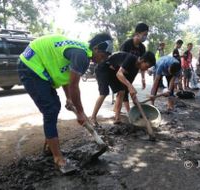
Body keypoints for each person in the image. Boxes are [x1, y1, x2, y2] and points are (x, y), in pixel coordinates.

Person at [18, 33, 113, 173]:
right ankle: (58, 158)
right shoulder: (81, 56)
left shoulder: (82, 51)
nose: (103, 60)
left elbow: (66, 77)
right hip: (30, 66)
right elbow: (74, 85)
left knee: (54, 107)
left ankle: (50, 147)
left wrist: (69, 98)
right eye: (104, 56)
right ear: (97, 48)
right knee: (50, 109)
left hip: (39, 66)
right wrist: (80, 112)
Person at [91, 51, 156, 125]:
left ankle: (117, 118)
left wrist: (134, 98)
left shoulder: (135, 70)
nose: (146, 69)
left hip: (112, 71)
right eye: (146, 66)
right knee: (104, 93)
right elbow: (119, 74)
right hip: (103, 68)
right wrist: (130, 87)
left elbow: (128, 88)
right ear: (142, 60)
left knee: (122, 91)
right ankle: (93, 117)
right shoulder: (131, 58)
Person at [120, 22, 149, 113]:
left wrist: (143, 78)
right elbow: (121, 60)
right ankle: (129, 112)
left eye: (146, 35)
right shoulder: (127, 44)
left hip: (133, 72)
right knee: (123, 91)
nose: (145, 37)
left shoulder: (142, 48)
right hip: (124, 71)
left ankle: (119, 110)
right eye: (144, 34)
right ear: (137, 34)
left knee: (127, 90)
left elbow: (142, 64)